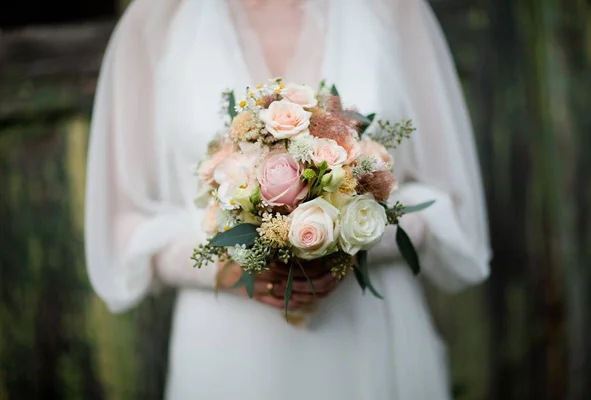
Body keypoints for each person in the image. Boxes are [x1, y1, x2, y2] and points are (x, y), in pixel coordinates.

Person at [85, 0, 491, 398]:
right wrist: (231, 268)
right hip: (229, 351)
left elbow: (449, 201)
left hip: (368, 330)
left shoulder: (391, 8)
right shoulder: (158, 16)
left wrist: (349, 240)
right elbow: (122, 228)